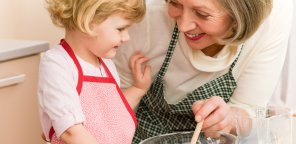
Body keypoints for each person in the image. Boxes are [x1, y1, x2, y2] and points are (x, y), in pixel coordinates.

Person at [113, 0, 294, 143]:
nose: (183, 25)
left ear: (240, 15)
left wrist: (229, 119)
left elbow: (251, 113)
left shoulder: (274, 19)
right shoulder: (146, 18)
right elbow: (112, 113)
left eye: (202, 14)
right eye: (175, 3)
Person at [38, 0, 151, 143]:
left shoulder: (105, 63)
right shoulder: (57, 63)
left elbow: (110, 116)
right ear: (88, 21)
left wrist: (138, 88)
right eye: (121, 29)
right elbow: (70, 131)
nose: (127, 37)